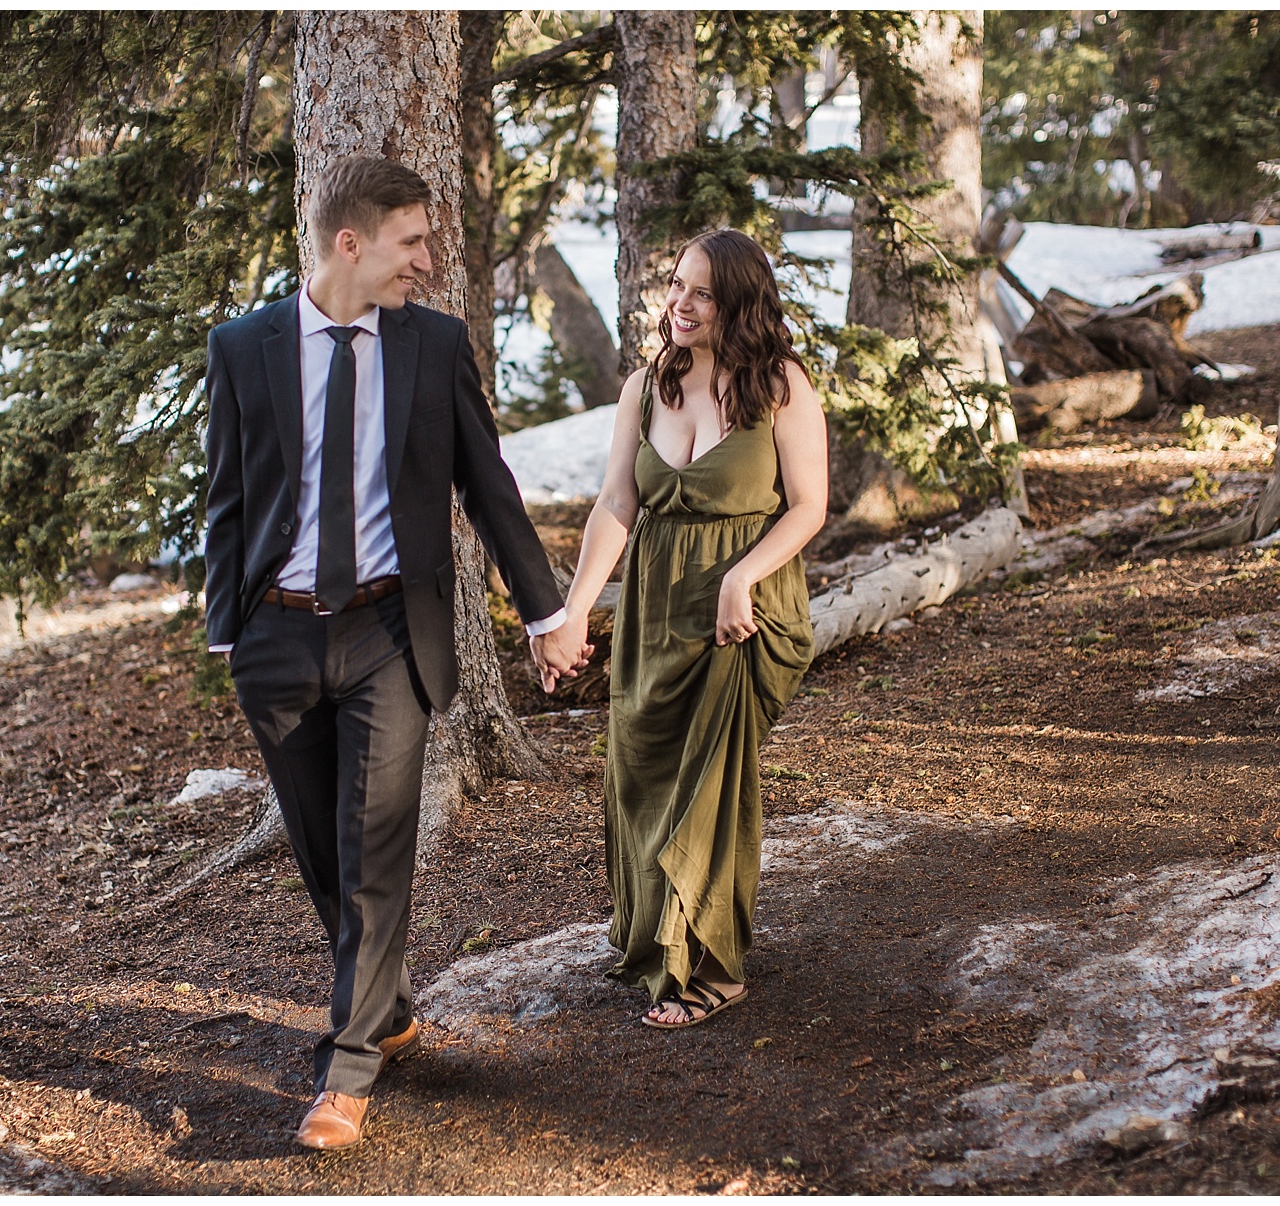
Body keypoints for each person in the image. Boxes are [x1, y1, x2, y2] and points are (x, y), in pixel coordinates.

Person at [202, 156, 585, 1148]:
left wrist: (544, 614)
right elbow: (229, 498)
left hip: (388, 631)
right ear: (351, 243)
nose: (427, 260)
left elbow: (489, 488)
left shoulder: (433, 346)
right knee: (322, 852)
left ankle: (350, 1068)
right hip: (278, 635)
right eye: (413, 242)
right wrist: (227, 629)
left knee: (375, 849)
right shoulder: (243, 348)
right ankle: (389, 1007)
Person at [546, 229, 827, 1028]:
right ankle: (651, 944)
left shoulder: (780, 386)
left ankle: (710, 965)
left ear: (738, 302)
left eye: (701, 291)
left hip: (740, 612)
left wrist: (743, 576)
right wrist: (573, 611)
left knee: (709, 786)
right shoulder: (647, 386)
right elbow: (616, 507)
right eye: (676, 285)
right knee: (639, 775)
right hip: (652, 611)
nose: (680, 302)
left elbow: (808, 505)